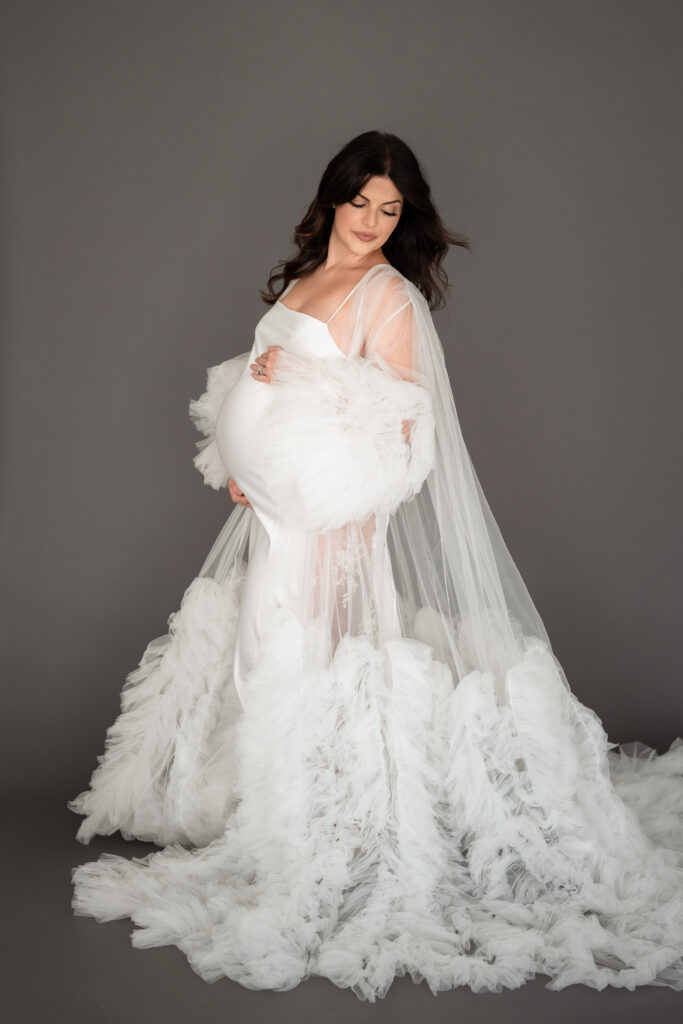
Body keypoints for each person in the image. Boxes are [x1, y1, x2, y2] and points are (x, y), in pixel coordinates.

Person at [69, 130, 683, 1000]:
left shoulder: (389, 298)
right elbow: (282, 385)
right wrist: (249, 451)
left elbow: (402, 431)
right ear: (333, 199)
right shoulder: (304, 279)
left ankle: (337, 832)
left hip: (326, 528)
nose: (370, 222)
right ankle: (290, 814)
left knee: (302, 660)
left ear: (403, 219)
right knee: (262, 659)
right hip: (275, 515)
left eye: (389, 210)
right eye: (361, 203)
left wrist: (344, 527)